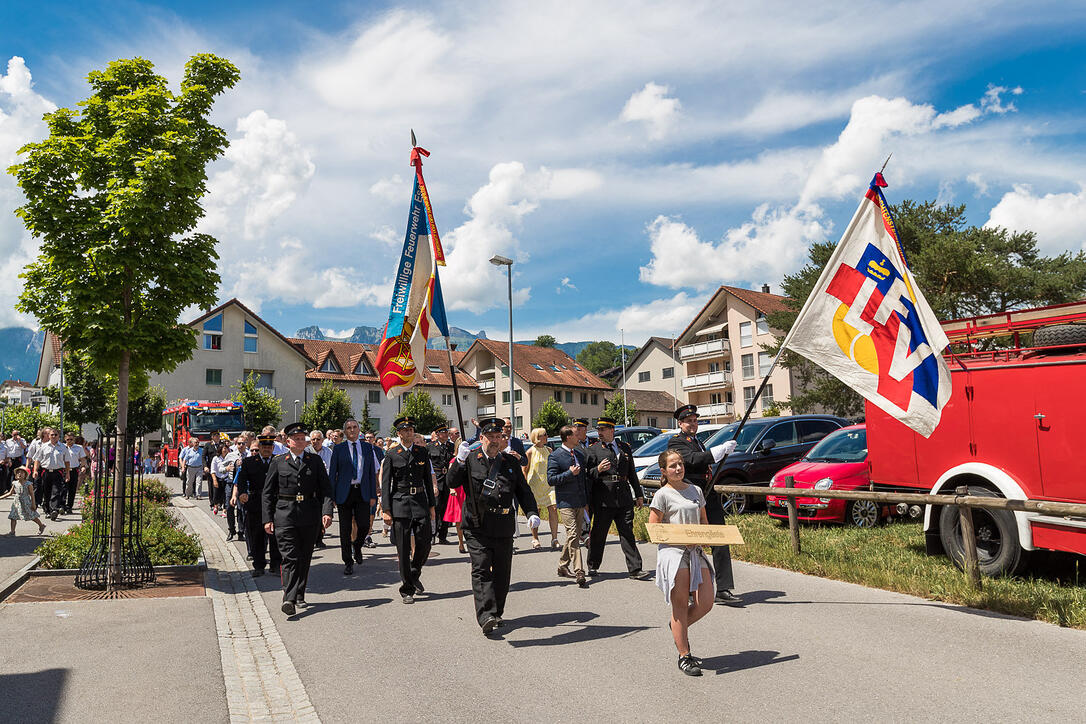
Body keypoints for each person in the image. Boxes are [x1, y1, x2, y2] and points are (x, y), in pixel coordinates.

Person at [447, 417, 540, 635]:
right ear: (481, 438)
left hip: (503, 525)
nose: (495, 440)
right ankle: (486, 614)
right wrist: (459, 462)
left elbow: (523, 491)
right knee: (481, 569)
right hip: (477, 525)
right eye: (491, 437)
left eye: (499, 437)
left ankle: (497, 611)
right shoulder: (470, 459)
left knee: (502, 573)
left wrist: (533, 512)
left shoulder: (510, 462)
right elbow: (451, 483)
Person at [650, 449, 716, 676]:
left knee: (706, 602)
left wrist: (706, 538)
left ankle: (677, 627)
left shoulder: (696, 490)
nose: (678, 469)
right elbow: (655, 530)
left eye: (680, 464)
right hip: (674, 554)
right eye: (672, 466)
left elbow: (704, 521)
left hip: (696, 552)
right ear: (664, 471)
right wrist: (681, 538)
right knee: (679, 605)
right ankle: (684, 655)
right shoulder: (662, 495)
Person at [667, 404, 740, 606]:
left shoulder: (697, 441)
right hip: (690, 495)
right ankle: (689, 588)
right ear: (680, 423)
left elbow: (701, 460)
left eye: (695, 420)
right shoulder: (676, 442)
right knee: (691, 543)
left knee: (719, 537)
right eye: (688, 421)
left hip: (707, 493)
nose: (693, 424)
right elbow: (690, 460)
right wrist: (718, 451)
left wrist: (721, 452)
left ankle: (723, 588)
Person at [263, 422, 334, 616]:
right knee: (290, 557)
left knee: (304, 557)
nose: (301, 441)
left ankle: (299, 593)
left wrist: (326, 512)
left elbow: (326, 489)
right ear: (288, 441)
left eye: (304, 438)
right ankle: (289, 598)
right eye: (297, 439)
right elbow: (268, 493)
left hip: (309, 515)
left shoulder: (315, 461)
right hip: (285, 515)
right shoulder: (278, 461)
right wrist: (267, 518)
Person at [380, 416, 437, 604]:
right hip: (400, 502)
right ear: (399, 434)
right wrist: (386, 509)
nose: (409, 433)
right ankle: (407, 588)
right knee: (403, 548)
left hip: (420, 501)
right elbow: (387, 483)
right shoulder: (392, 454)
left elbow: (428, 481)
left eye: (411, 430)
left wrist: (431, 506)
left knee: (425, 541)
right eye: (405, 430)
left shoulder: (422, 452)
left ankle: (414, 572)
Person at [586, 416, 649, 579]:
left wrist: (639, 494)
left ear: (612, 430)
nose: (599, 432)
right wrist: (598, 470)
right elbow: (587, 475)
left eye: (603, 429)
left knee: (627, 533)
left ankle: (635, 569)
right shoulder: (593, 450)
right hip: (603, 499)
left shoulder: (624, 448)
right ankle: (592, 565)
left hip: (624, 497)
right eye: (598, 429)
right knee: (599, 534)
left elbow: (632, 473)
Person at [328, 419, 379, 575]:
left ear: (359, 429)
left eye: (354, 427)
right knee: (345, 528)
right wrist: (332, 497)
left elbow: (371, 472)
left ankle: (357, 546)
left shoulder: (367, 447)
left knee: (364, 525)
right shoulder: (339, 449)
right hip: (344, 492)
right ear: (345, 431)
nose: (352, 430)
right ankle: (347, 561)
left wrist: (373, 495)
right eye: (349, 428)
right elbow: (332, 474)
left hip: (362, 491)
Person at [547, 425, 590, 588]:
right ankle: (579, 570)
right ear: (567, 438)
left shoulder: (579, 453)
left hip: (579, 501)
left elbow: (584, 480)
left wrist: (586, 501)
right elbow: (551, 479)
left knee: (574, 535)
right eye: (575, 434)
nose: (578, 435)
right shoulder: (556, 456)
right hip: (565, 502)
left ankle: (562, 566)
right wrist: (569, 473)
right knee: (573, 534)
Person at [234, 434, 282, 577]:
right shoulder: (249, 462)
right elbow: (242, 479)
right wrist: (242, 493)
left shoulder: (278, 461)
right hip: (256, 502)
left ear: (273, 448)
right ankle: (259, 565)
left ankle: (275, 564)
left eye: (269, 447)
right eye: (264, 447)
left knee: (276, 536)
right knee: (257, 535)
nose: (266, 449)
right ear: (259, 447)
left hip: (275, 502)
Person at [524, 427, 558, 549]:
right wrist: (525, 487)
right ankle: (535, 538)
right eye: (545, 434)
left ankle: (554, 539)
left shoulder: (549, 450)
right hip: (535, 485)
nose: (547, 436)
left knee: (553, 509)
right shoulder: (529, 452)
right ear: (538, 437)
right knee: (536, 513)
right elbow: (525, 470)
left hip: (549, 484)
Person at [32, 428, 70, 520]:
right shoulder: (43, 447)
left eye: (55, 435)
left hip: (58, 472)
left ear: (59, 436)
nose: (53, 436)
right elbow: (37, 459)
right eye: (52, 435)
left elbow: (67, 461)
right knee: (46, 492)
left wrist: (68, 473)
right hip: (46, 472)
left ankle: (54, 510)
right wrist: (35, 470)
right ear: (48, 436)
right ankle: (47, 511)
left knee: (56, 491)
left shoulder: (63, 447)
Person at [426, 423, 455, 545]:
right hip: (436, 479)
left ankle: (443, 535)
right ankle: (432, 534)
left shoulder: (451, 446)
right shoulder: (430, 447)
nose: (446, 434)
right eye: (443, 432)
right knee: (435, 508)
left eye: (447, 432)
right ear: (437, 434)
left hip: (447, 479)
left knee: (446, 508)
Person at [2, 466, 46, 535]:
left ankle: (41, 525)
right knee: (13, 516)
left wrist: (33, 504)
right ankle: (12, 531)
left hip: (26, 502)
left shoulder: (28, 484)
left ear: (25, 475)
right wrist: (1, 497)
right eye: (18, 473)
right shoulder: (15, 483)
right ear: (16, 475)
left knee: (32, 516)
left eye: (22, 473)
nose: (20, 474)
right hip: (16, 503)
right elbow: (10, 493)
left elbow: (32, 494)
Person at [63, 433, 87, 515]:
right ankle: (62, 506)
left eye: (71, 439)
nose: (69, 441)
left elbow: (82, 459)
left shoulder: (78, 448)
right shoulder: (62, 447)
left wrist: (83, 466)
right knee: (63, 489)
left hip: (73, 470)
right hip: (63, 470)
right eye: (68, 439)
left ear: (74, 440)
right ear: (65, 439)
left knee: (72, 489)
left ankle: (69, 506)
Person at [210, 444, 232, 517]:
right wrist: (214, 480)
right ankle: (216, 505)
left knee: (226, 495)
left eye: (226, 448)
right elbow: (213, 470)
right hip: (218, 478)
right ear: (220, 449)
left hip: (227, 479)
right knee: (217, 495)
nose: (225, 450)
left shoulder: (229, 458)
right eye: (224, 448)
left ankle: (224, 511)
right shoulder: (216, 458)